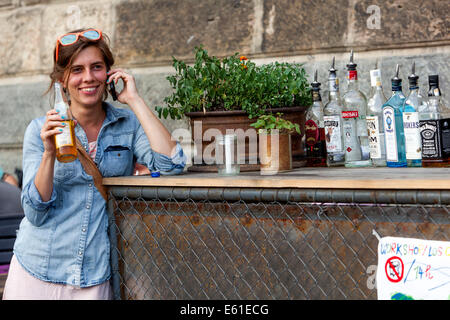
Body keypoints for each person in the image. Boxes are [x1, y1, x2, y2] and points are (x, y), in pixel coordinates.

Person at [2, 28, 186, 300]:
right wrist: (49, 154)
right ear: (62, 80)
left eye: (96, 67)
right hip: (37, 269)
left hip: (94, 274)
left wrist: (134, 100)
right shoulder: (40, 130)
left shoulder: (127, 125)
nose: (88, 77)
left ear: (109, 73)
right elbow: (35, 213)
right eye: (77, 70)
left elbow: (172, 164)